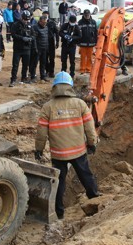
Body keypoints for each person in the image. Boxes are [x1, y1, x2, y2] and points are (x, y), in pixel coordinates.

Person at [34, 71, 100, 220]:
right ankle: (95, 200)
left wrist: (38, 149)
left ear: (55, 87)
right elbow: (90, 128)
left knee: (59, 183)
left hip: (58, 154)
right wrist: (92, 143)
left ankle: (59, 213)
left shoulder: (47, 107)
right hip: (78, 151)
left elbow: (41, 133)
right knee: (86, 175)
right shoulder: (80, 104)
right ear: (70, 86)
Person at [10, 9, 36, 87]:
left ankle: (23, 78)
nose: (26, 21)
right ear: (22, 18)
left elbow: (34, 34)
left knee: (25, 65)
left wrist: (30, 38)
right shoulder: (16, 25)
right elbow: (13, 34)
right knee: (15, 65)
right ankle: (13, 79)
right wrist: (22, 38)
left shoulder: (30, 25)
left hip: (27, 48)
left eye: (27, 19)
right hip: (18, 48)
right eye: (25, 19)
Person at [77, 9, 97, 74]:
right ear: (84, 15)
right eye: (86, 15)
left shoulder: (93, 22)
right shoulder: (80, 22)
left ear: (90, 15)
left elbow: (96, 33)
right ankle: (82, 69)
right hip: (82, 43)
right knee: (83, 57)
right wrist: (78, 42)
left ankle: (88, 69)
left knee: (90, 58)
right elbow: (77, 33)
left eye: (88, 15)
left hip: (91, 43)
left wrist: (96, 42)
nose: (87, 16)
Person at [31, 15, 50, 81]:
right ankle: (33, 76)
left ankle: (43, 76)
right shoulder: (35, 27)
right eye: (43, 22)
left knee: (43, 63)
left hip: (44, 48)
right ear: (40, 21)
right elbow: (34, 39)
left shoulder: (46, 28)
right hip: (37, 48)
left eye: (45, 22)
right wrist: (35, 48)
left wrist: (47, 47)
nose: (45, 24)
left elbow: (46, 38)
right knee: (34, 63)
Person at [43, 10, 60, 78]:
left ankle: (51, 72)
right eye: (43, 15)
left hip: (51, 42)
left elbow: (57, 32)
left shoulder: (52, 23)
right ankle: (47, 71)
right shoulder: (41, 23)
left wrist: (57, 42)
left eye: (45, 15)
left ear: (48, 15)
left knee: (52, 58)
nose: (44, 16)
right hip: (44, 43)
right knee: (45, 58)